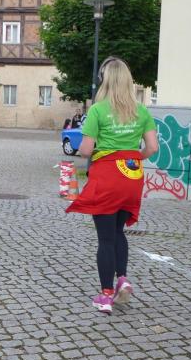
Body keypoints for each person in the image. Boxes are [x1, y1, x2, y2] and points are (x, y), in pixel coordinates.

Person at [66, 58, 159, 315]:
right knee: (118, 231)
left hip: (107, 175)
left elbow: (85, 149)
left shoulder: (98, 110)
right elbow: (152, 147)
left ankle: (106, 295)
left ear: (104, 80)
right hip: (132, 174)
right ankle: (123, 279)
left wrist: (93, 148)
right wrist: (133, 157)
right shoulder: (141, 111)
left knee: (105, 238)